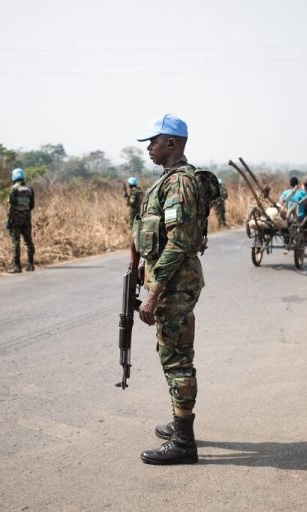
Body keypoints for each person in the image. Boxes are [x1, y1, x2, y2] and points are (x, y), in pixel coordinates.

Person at [134, 114, 205, 465]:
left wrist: (154, 291)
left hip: (174, 286)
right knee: (171, 353)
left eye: (154, 141)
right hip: (170, 283)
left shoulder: (179, 183)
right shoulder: (167, 181)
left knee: (176, 357)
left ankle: (184, 442)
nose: (149, 147)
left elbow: (178, 243)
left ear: (172, 144)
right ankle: (180, 423)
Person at [7, 168, 35, 273]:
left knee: (16, 242)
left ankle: (17, 266)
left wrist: (9, 219)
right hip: (27, 219)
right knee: (28, 242)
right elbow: (32, 205)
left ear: (14, 177)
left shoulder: (13, 189)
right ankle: (31, 265)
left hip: (16, 220)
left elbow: (10, 206)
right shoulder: (30, 189)